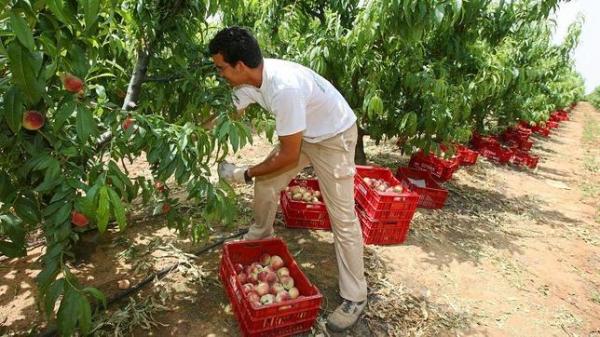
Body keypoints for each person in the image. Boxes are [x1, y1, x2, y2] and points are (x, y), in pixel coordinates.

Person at [209, 26, 367, 332]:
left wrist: (244, 173)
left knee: (343, 218)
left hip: (335, 137)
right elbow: (230, 114)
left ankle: (355, 297)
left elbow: (288, 157)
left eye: (221, 68)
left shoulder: (284, 90)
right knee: (268, 185)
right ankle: (260, 234)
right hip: (304, 133)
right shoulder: (250, 80)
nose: (220, 75)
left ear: (239, 66)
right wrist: (187, 134)